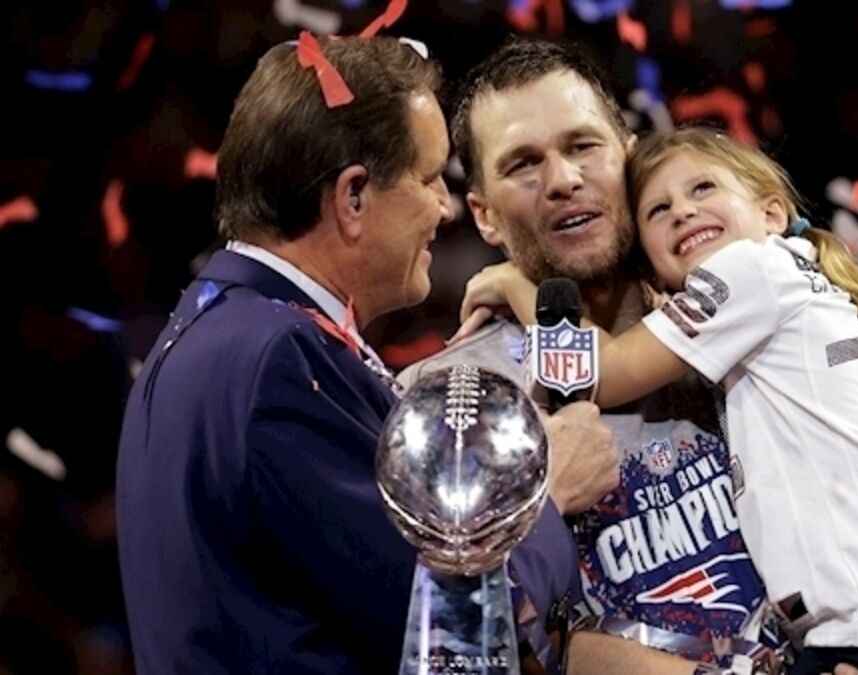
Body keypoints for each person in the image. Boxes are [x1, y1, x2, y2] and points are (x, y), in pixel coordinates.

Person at [402, 38, 858, 675]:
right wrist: (541, 503)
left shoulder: (746, 330)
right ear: (484, 216)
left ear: (629, 159)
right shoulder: (450, 403)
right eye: (524, 164)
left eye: (583, 146)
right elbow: (446, 648)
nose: (563, 181)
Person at [115, 35, 619, 674]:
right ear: (353, 196)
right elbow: (447, 639)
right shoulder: (278, 361)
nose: (444, 208)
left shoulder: (217, 332)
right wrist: (544, 495)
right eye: (429, 178)